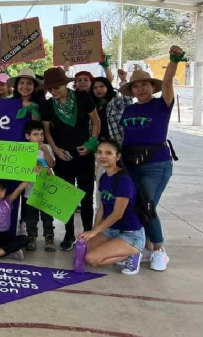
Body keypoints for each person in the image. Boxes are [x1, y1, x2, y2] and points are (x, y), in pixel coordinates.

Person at [118, 45, 185, 271]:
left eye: (144, 84)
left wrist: (174, 60)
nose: (140, 89)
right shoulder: (128, 111)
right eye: (136, 86)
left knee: (147, 207)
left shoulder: (161, 105)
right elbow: (126, 136)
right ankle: (146, 247)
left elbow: (167, 82)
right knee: (135, 205)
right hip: (130, 164)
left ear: (151, 87)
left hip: (156, 164)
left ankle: (159, 250)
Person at [41, 67, 100, 251]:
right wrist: (56, 150)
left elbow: (96, 121)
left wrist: (91, 143)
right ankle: (69, 233)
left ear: (65, 84)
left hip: (84, 155)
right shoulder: (48, 105)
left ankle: (88, 233)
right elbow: (47, 131)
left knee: (86, 195)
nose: (54, 91)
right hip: (63, 157)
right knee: (65, 197)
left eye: (57, 86)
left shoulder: (83, 97)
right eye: (51, 89)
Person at [79, 139, 146, 276]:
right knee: (80, 251)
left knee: (92, 259)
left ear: (118, 156)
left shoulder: (124, 180)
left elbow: (117, 214)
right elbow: (102, 209)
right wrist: (93, 232)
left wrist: (93, 232)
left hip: (130, 233)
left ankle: (134, 253)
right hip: (111, 230)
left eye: (108, 153)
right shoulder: (104, 177)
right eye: (99, 152)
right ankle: (116, 247)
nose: (102, 156)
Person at [23, 120, 56, 252]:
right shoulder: (24, 149)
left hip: (45, 190)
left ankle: (49, 237)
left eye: (41, 134)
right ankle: (32, 237)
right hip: (29, 190)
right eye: (35, 134)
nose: (39, 137)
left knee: (47, 216)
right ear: (27, 136)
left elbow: (52, 164)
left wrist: (45, 151)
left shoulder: (46, 148)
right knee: (31, 216)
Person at [90, 77, 132, 145]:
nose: (98, 89)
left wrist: (123, 80)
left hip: (116, 141)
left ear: (108, 87)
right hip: (98, 143)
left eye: (101, 86)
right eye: (95, 88)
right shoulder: (92, 105)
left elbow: (128, 102)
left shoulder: (115, 100)